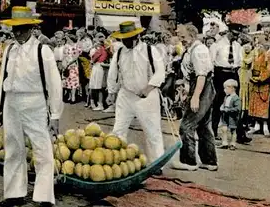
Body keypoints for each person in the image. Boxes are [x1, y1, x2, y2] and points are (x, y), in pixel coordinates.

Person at [0, 6, 62, 207]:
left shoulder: (43, 51)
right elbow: (2, 83)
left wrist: (55, 115)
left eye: (22, 29)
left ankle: (45, 201)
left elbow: (54, 85)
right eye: (14, 29)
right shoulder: (9, 50)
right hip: (12, 103)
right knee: (14, 147)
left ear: (32, 29)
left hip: (35, 104)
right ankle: (14, 193)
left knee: (42, 151)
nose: (17, 34)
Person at [107, 21, 166, 164]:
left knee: (152, 131)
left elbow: (160, 72)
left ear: (136, 37)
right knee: (118, 129)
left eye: (128, 39)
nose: (125, 42)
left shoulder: (150, 51)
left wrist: (148, 88)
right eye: (123, 39)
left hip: (147, 96)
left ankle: (157, 163)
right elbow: (113, 73)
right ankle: (116, 161)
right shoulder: (120, 52)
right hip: (126, 95)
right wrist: (111, 92)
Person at [173, 24, 218, 171]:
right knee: (204, 125)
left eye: (183, 37)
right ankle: (209, 161)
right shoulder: (191, 49)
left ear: (192, 35)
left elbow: (201, 75)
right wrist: (187, 91)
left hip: (203, 86)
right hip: (199, 86)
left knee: (186, 126)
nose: (181, 40)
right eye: (179, 37)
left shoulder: (199, 50)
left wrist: (196, 97)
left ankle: (188, 161)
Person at [209, 24, 242, 139]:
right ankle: (213, 130)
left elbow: (239, 61)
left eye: (237, 35)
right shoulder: (217, 45)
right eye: (233, 34)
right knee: (219, 102)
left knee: (236, 102)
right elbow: (211, 61)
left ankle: (239, 133)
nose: (235, 36)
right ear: (228, 32)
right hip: (221, 73)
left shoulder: (237, 45)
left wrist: (236, 66)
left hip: (233, 72)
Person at [248, 40, 270, 136]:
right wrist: (251, 77)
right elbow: (251, 68)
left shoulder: (269, 56)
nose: (258, 48)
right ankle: (256, 125)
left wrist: (260, 78)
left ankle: (265, 126)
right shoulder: (256, 55)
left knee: (263, 105)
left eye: (260, 46)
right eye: (258, 46)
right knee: (255, 105)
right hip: (255, 82)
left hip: (263, 83)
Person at [219, 79, 241, 150]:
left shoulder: (236, 98)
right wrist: (222, 106)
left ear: (232, 88)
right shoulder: (226, 97)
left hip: (232, 117)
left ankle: (233, 143)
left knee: (233, 130)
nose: (224, 90)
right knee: (224, 129)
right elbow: (224, 104)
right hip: (225, 116)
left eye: (226, 88)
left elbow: (238, 108)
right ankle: (224, 143)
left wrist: (228, 110)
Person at [88, 32, 109, 111]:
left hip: (98, 66)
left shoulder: (99, 49)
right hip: (99, 66)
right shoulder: (104, 48)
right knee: (98, 86)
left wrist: (92, 61)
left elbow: (95, 56)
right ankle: (98, 103)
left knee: (98, 86)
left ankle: (100, 104)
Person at [62, 32, 82, 103]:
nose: (67, 40)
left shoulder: (77, 46)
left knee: (73, 81)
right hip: (66, 65)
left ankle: (73, 97)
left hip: (73, 65)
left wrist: (69, 63)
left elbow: (76, 56)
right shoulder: (66, 46)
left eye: (68, 39)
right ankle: (69, 96)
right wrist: (65, 63)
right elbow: (64, 55)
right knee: (68, 81)